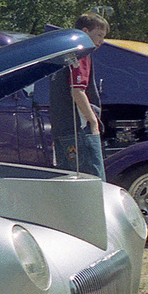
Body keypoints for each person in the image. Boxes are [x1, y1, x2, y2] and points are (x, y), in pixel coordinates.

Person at [50, 12, 109, 179]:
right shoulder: (81, 53)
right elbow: (77, 90)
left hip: (61, 128)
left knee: (69, 180)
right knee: (93, 180)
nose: (101, 41)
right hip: (79, 130)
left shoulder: (62, 54)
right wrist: (93, 121)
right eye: (99, 35)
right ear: (84, 31)